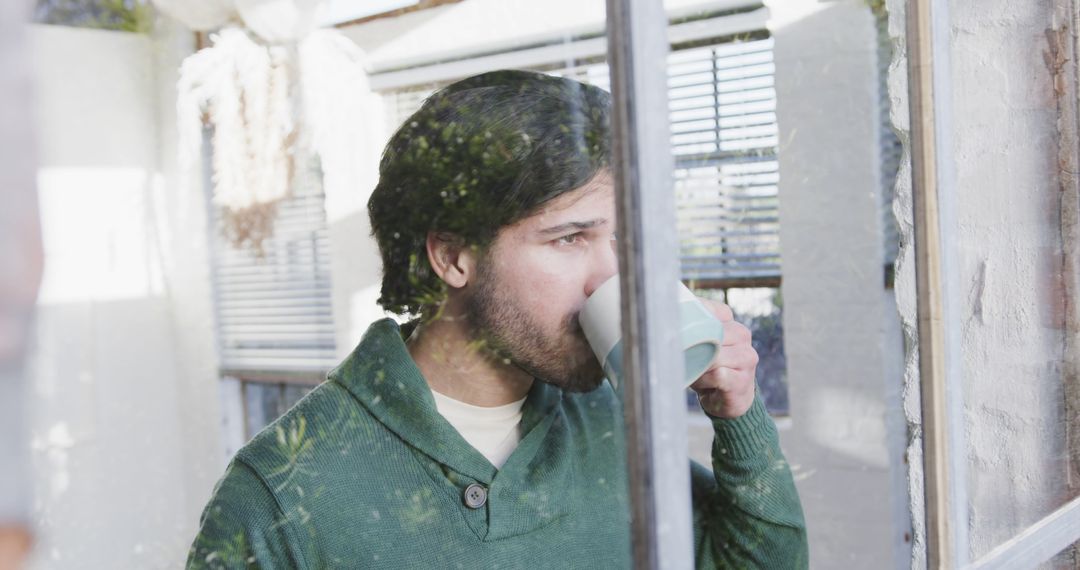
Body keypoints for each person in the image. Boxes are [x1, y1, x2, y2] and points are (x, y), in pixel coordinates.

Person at [187, 70, 807, 569]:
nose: (612, 279)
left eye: (623, 240)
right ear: (453, 256)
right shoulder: (281, 493)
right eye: (570, 239)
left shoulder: (604, 419)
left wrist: (740, 417)